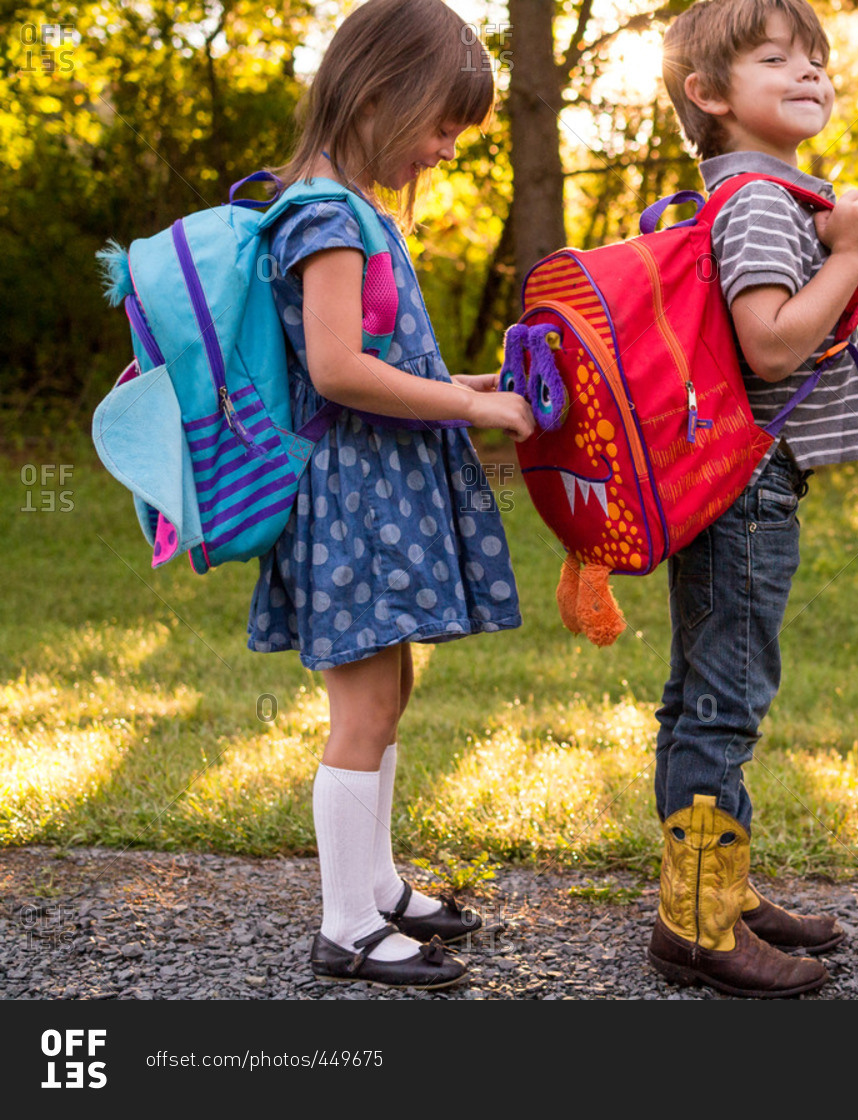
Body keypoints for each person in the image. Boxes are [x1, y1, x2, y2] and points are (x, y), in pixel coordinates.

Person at [247, 0, 535, 990]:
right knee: (362, 704)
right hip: (355, 496)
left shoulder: (351, 208)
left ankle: (375, 886)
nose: (448, 147)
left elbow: (381, 358)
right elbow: (335, 370)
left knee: (389, 687)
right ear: (377, 96)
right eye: (442, 123)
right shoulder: (327, 216)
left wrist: (463, 388)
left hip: (378, 488)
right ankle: (344, 925)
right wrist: (476, 415)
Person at [650, 0, 858, 998]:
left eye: (818, 60)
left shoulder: (765, 192)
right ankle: (699, 925)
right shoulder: (757, 201)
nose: (811, 73)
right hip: (745, 483)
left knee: (708, 690)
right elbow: (773, 343)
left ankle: (719, 887)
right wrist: (852, 253)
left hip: (735, 477)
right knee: (725, 698)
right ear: (708, 94)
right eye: (775, 59)